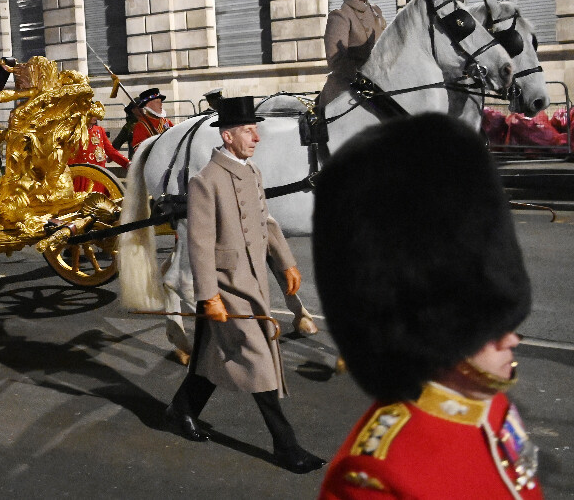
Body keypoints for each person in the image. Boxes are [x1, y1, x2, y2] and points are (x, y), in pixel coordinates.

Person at [314, 114, 541, 498]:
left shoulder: (491, 402)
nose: (511, 338)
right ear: (428, 323)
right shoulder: (374, 477)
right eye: (486, 326)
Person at [164, 96, 324, 474]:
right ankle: (287, 446)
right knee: (257, 357)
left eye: (256, 130)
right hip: (228, 285)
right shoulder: (206, 182)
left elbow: (266, 222)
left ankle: (181, 409)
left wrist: (286, 263)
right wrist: (209, 296)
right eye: (249, 131)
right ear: (228, 135)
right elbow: (199, 245)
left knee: (212, 355)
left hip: (254, 281)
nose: (257, 137)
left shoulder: (251, 173)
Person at [321, 0, 387, 107]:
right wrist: (367, 76)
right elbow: (336, 61)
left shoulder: (376, 11)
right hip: (348, 96)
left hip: (380, 88)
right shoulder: (341, 16)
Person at [71, 102, 128, 193]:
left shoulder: (99, 130)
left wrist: (127, 163)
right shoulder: (74, 132)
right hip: (82, 176)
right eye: (92, 114)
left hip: (99, 175)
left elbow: (111, 151)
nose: (95, 117)